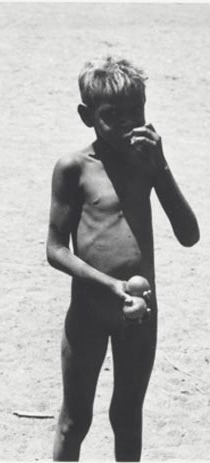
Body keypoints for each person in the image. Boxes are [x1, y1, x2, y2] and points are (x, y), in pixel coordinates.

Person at [46, 56, 199, 461]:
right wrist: (110, 285)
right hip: (90, 310)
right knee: (75, 418)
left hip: (140, 314)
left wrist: (160, 167)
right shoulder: (74, 168)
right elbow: (55, 249)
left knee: (128, 415)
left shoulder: (147, 164)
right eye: (113, 114)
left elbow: (189, 235)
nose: (129, 122)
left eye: (138, 111)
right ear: (87, 116)